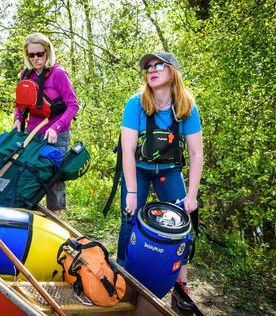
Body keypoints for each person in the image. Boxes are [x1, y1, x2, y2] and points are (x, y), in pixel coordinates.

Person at [119, 52, 203, 310]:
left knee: (184, 224)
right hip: (139, 169)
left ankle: (180, 284)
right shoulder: (135, 104)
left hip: (169, 169)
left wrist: (191, 196)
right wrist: (131, 192)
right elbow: (128, 151)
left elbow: (196, 152)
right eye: (149, 67)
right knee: (128, 216)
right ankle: (122, 275)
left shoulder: (186, 106)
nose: (152, 70)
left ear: (173, 72)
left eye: (159, 66)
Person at [13, 32, 79, 215]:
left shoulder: (58, 73)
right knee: (28, 170)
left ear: (47, 52)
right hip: (33, 132)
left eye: (39, 53)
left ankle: (55, 217)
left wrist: (56, 127)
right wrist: (17, 119)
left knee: (53, 176)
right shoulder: (24, 75)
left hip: (56, 134)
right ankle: (26, 209)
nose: (35, 58)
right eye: (31, 55)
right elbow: (18, 104)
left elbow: (73, 105)